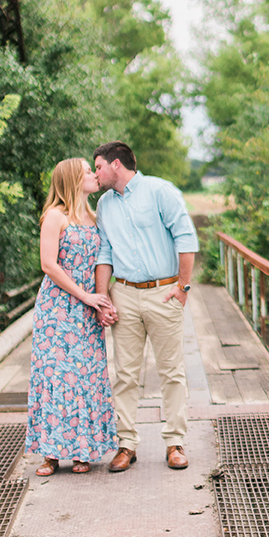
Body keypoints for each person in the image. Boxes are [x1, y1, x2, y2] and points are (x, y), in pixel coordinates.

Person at [91, 141, 199, 472]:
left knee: (171, 371)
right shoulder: (104, 205)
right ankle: (126, 445)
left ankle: (175, 442)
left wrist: (182, 287)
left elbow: (185, 237)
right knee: (124, 374)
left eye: (98, 167)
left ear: (116, 165)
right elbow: (105, 253)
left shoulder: (159, 191)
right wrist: (102, 299)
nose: (95, 174)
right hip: (124, 293)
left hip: (163, 292)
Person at [25, 158, 118, 476]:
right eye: (88, 171)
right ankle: (50, 453)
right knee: (55, 377)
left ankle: (82, 450)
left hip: (87, 307)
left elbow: (101, 262)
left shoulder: (93, 217)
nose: (94, 174)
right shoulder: (55, 216)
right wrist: (85, 296)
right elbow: (49, 265)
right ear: (72, 180)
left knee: (86, 378)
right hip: (58, 309)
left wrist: (103, 301)